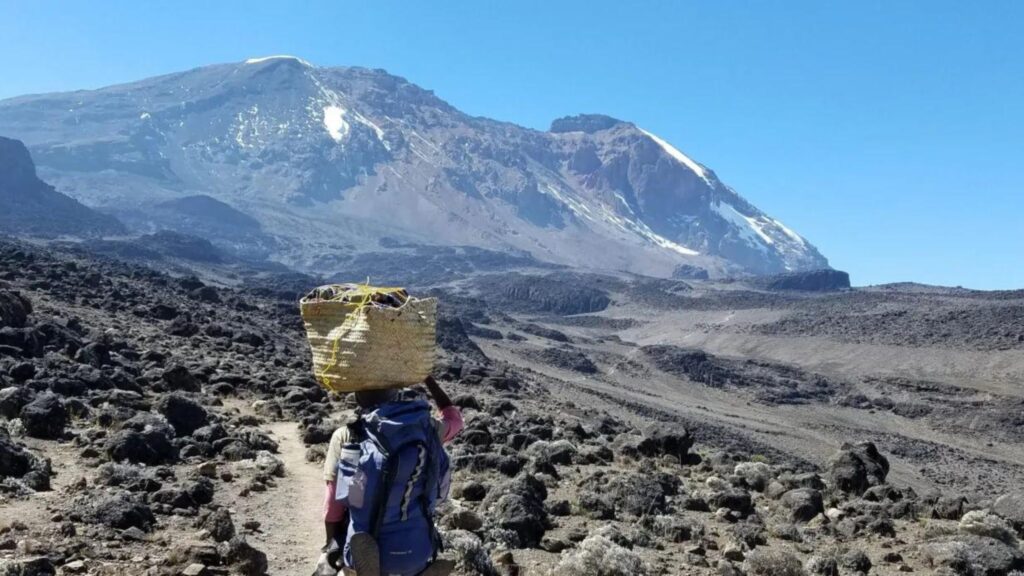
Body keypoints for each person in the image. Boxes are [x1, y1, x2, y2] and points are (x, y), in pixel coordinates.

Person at [316, 375, 464, 576]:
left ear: (357, 398)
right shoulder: (427, 428)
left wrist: (330, 550)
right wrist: (427, 379)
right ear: (396, 392)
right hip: (419, 549)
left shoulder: (347, 435)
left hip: (365, 551)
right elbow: (454, 419)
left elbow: (333, 506)